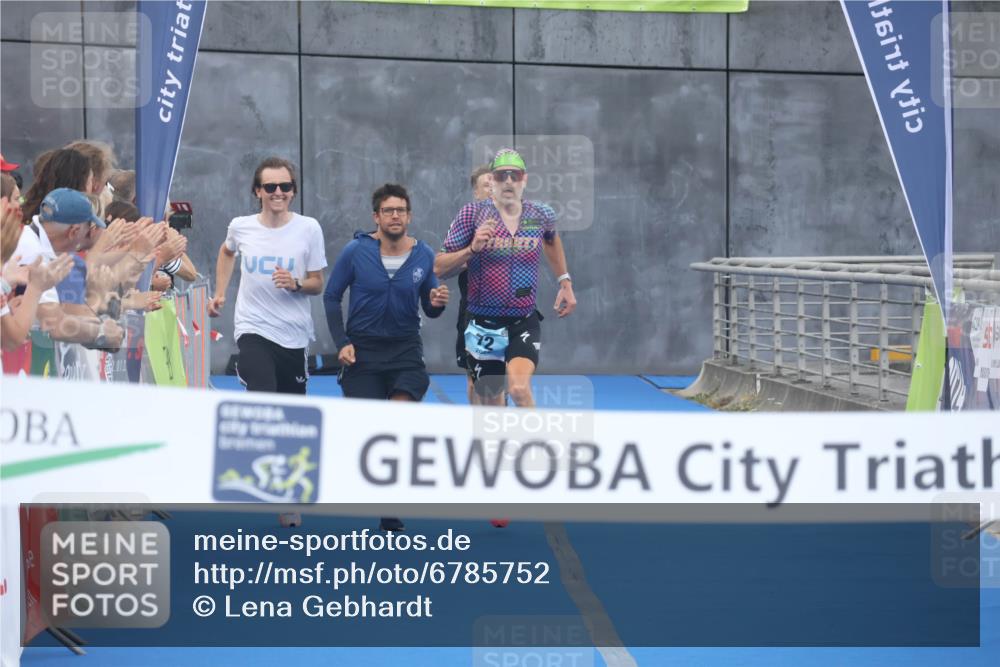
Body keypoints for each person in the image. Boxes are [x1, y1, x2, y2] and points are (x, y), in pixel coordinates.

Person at [324, 183, 448, 532]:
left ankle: (391, 505)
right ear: (376, 216)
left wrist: (435, 304)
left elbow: (429, 304)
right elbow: (332, 297)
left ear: (409, 216)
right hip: (362, 352)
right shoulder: (355, 251)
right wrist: (341, 341)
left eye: (401, 210)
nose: (396, 216)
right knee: (373, 428)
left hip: (406, 350)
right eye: (388, 210)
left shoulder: (423, 255)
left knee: (396, 421)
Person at [435, 148, 577, 407]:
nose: (509, 181)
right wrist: (472, 249)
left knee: (520, 389)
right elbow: (439, 268)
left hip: (523, 318)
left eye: (515, 175)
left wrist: (564, 281)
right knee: (491, 399)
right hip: (482, 321)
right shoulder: (472, 215)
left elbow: (551, 240)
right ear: (491, 180)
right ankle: (496, 445)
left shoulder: (539, 215)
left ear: (525, 180)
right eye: (502, 176)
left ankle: (536, 446)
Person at [208, 156, 327, 394]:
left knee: (290, 407)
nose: (278, 192)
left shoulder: (309, 228)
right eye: (270, 187)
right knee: (262, 390)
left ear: (293, 191)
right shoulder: (241, 227)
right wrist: (219, 292)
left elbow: (317, 283)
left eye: (285, 187)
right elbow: (227, 251)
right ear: (257, 191)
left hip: (294, 332)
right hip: (253, 327)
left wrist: (295, 283)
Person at [441, 164, 492, 404]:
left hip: (513, 313)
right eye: (486, 185)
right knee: (475, 378)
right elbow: (442, 268)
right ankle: (477, 432)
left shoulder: (519, 219)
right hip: (474, 311)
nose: (493, 189)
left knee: (503, 380)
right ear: (476, 193)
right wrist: (472, 252)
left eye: (497, 183)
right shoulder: (466, 221)